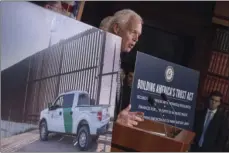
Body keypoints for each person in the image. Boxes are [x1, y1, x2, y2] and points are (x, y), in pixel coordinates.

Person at [108, 9, 144, 127]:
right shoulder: (98, 56)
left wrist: (120, 117)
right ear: (117, 28)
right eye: (133, 32)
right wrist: (115, 122)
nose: (136, 39)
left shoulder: (116, 60)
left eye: (138, 35)